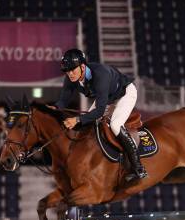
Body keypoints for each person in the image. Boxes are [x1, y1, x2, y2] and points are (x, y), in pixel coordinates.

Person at [54, 49, 147, 182]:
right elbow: (63, 101)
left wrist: (78, 119)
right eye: (67, 71)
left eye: (72, 70)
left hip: (125, 94)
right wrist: (54, 108)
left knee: (115, 125)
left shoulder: (100, 75)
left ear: (82, 66)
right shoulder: (71, 77)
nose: (70, 74)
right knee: (88, 124)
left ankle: (138, 167)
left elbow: (99, 111)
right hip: (108, 98)